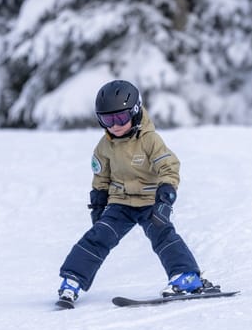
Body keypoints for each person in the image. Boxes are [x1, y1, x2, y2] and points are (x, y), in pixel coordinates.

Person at [56, 79, 217, 305]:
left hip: (151, 201)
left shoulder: (150, 140)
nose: (115, 125)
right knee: (97, 237)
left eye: (120, 118)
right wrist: (98, 205)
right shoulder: (104, 146)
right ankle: (72, 280)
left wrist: (165, 200)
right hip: (120, 204)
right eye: (107, 119)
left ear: (135, 111)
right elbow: (101, 178)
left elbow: (169, 168)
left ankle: (186, 276)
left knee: (163, 235)